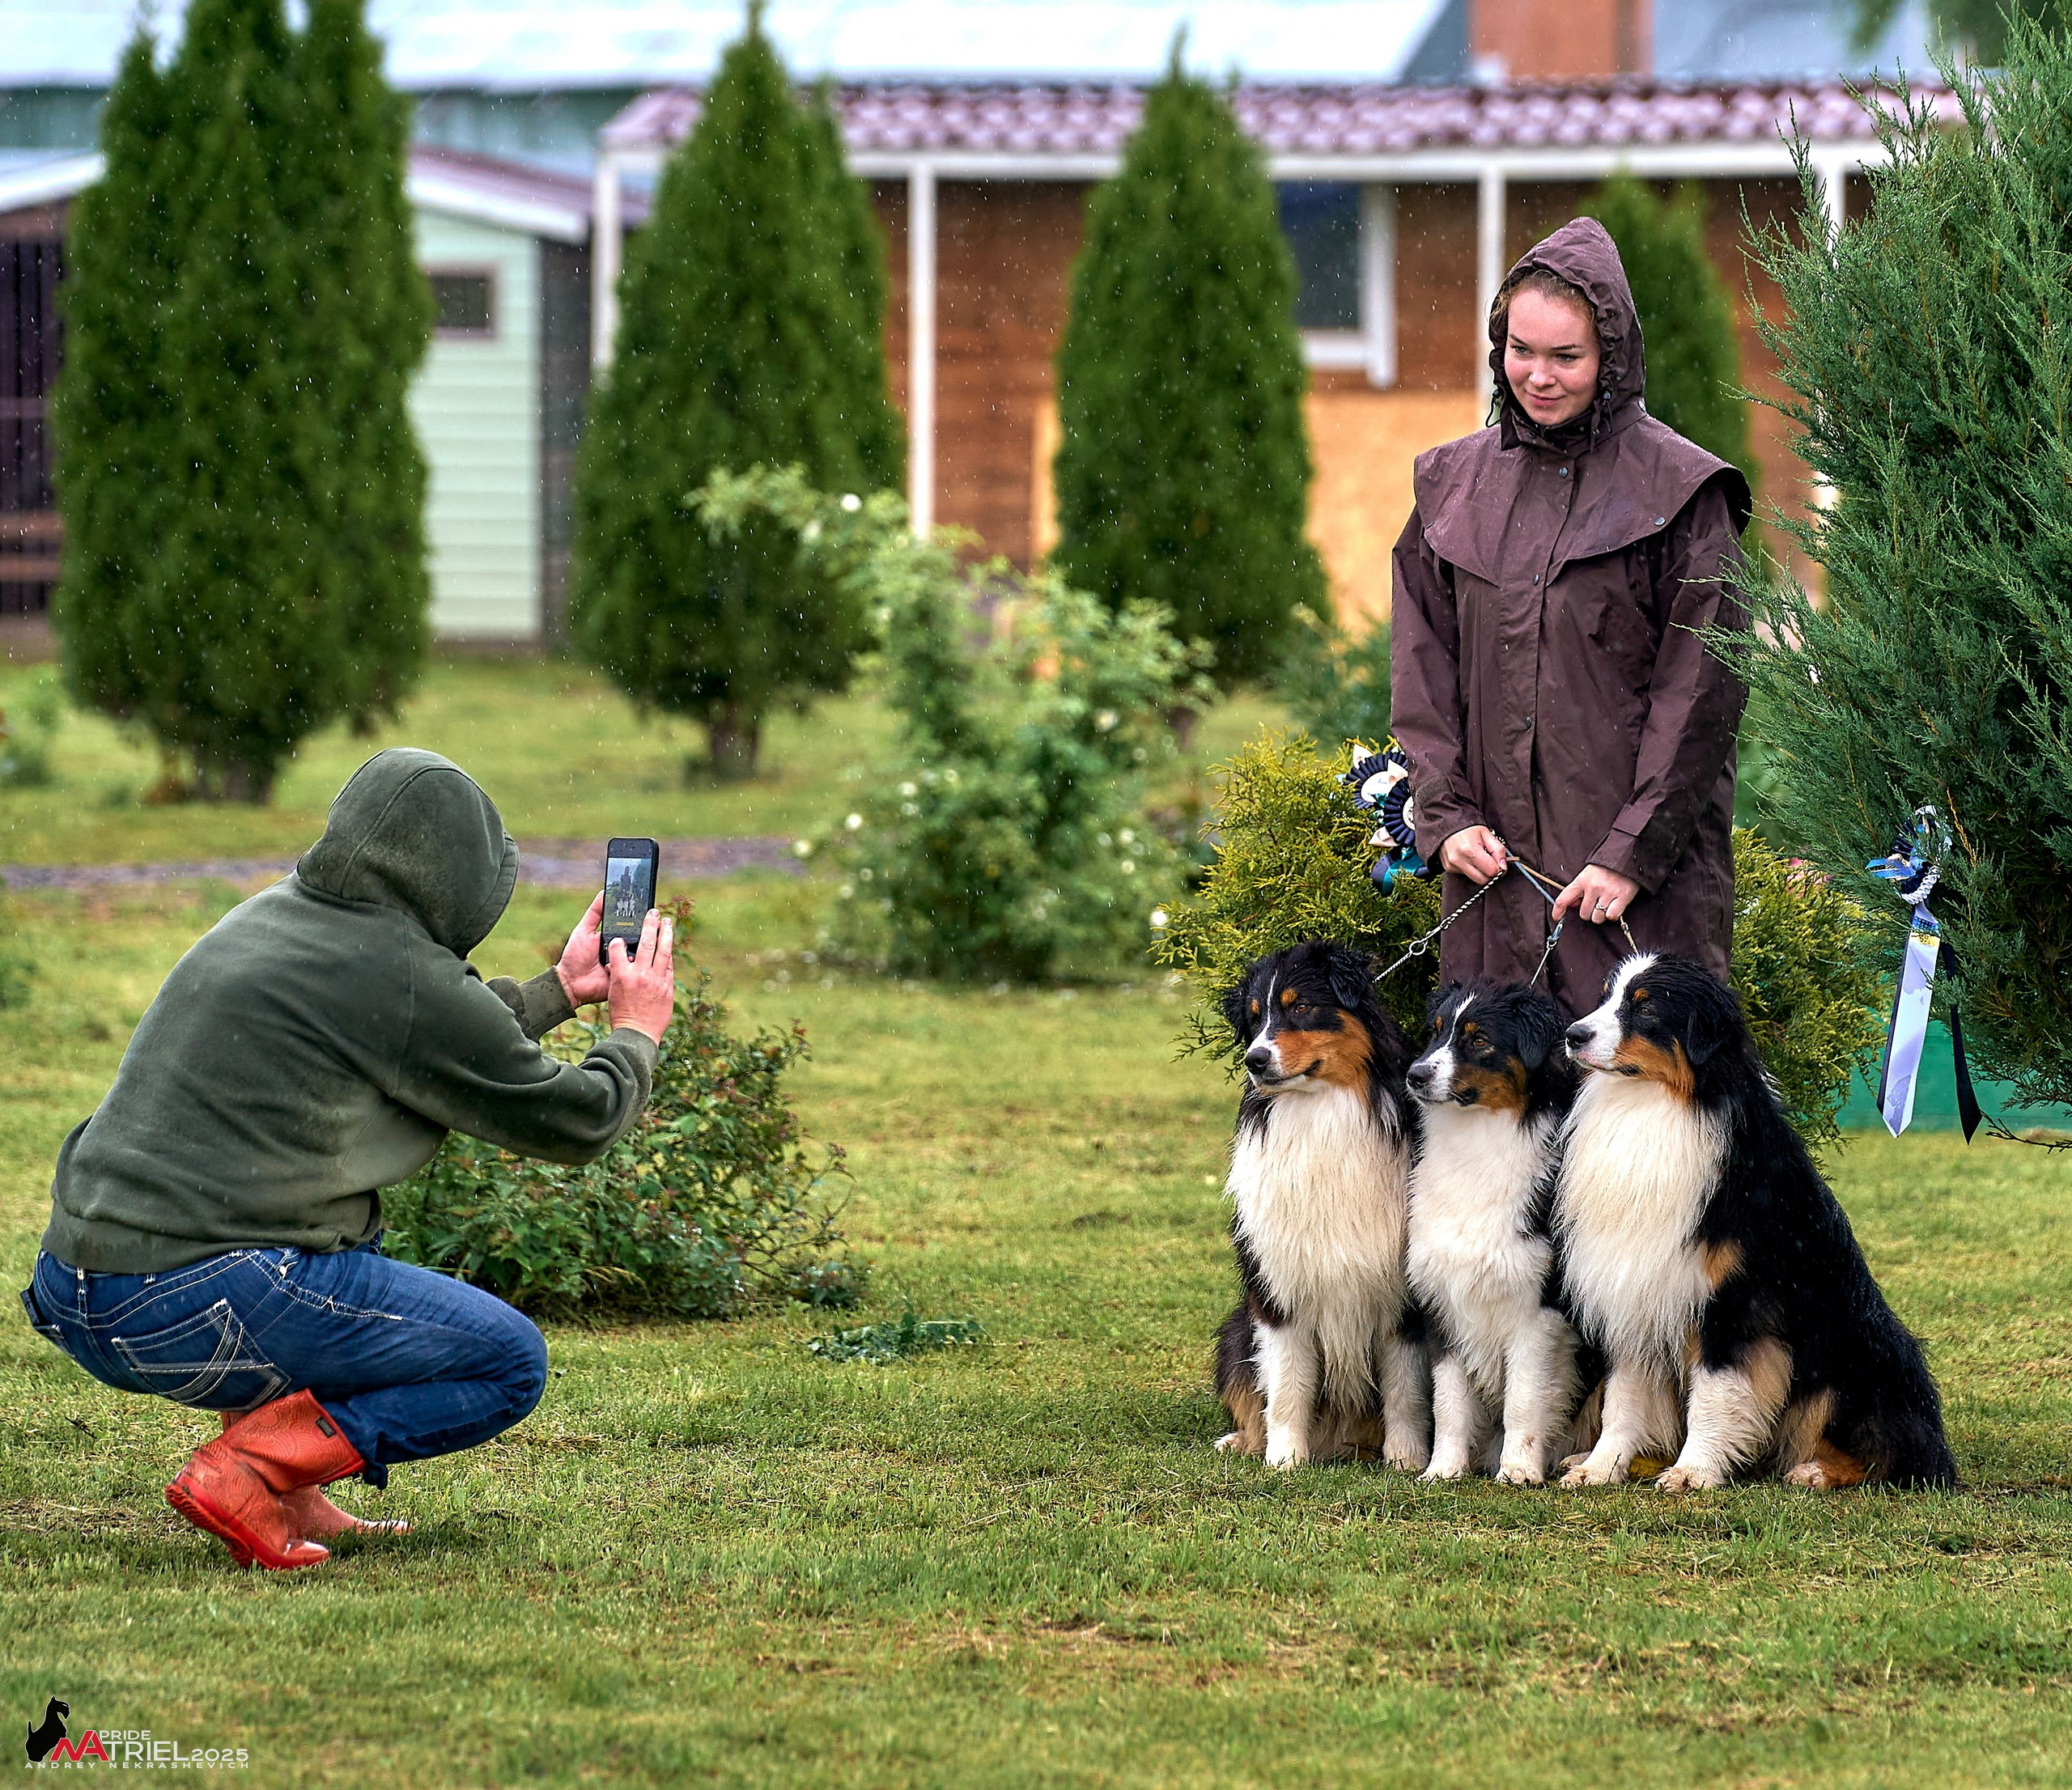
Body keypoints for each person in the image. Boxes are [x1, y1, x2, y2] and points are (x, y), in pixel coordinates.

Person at [16, 749, 675, 1572]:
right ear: (456, 876)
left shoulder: (271, 919)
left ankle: (290, 1486)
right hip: (189, 1304)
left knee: (334, 1232)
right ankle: (253, 1468)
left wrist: (558, 990)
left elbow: (416, 1037)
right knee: (509, 1360)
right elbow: (583, 1120)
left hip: (78, 1290)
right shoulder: (397, 973)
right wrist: (636, 1029)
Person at [1391, 216, 1752, 1013]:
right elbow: (1421, 674)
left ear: (1612, 358)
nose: (1539, 377)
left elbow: (1699, 699)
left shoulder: (1684, 494)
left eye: (1567, 357)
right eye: (1521, 350)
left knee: (1634, 1114)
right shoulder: (1452, 486)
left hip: (1631, 891)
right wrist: (1445, 818)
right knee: (1498, 1114)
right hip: (1489, 879)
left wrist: (1629, 856)